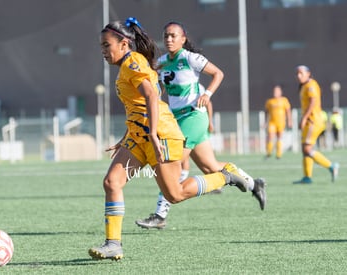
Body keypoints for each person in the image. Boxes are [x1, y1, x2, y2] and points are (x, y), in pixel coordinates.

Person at [88, 17, 251, 261]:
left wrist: (152, 133)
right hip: (139, 137)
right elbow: (138, 106)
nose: (103, 50)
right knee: (112, 182)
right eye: (101, 45)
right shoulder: (128, 65)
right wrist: (126, 137)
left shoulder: (133, 63)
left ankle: (225, 176)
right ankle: (113, 244)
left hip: (161, 134)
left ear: (123, 44)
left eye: (106, 45)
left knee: (174, 194)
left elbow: (153, 96)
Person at [135, 21, 266, 230]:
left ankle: (160, 215)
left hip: (194, 117)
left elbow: (218, 74)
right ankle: (253, 184)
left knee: (173, 163)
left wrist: (207, 94)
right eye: (166, 36)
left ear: (183, 39)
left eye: (173, 36)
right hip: (177, 120)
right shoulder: (161, 62)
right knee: (210, 167)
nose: (169, 39)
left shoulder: (189, 58)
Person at [293, 65, 339, 184]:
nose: (298, 76)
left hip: (314, 121)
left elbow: (313, 102)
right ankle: (307, 177)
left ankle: (332, 166)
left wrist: (304, 118)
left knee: (307, 149)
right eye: (297, 73)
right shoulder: (304, 86)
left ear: (308, 74)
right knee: (305, 149)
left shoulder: (311, 85)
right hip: (309, 121)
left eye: (301, 73)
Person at [264, 85, 292, 159]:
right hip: (272, 122)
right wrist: (265, 122)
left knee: (279, 137)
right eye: (274, 91)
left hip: (281, 122)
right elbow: (266, 112)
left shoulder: (284, 100)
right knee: (270, 136)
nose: (275, 92)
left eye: (277, 91)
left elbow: (288, 111)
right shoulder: (270, 101)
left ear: (280, 92)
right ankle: (269, 152)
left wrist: (289, 121)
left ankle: (278, 154)